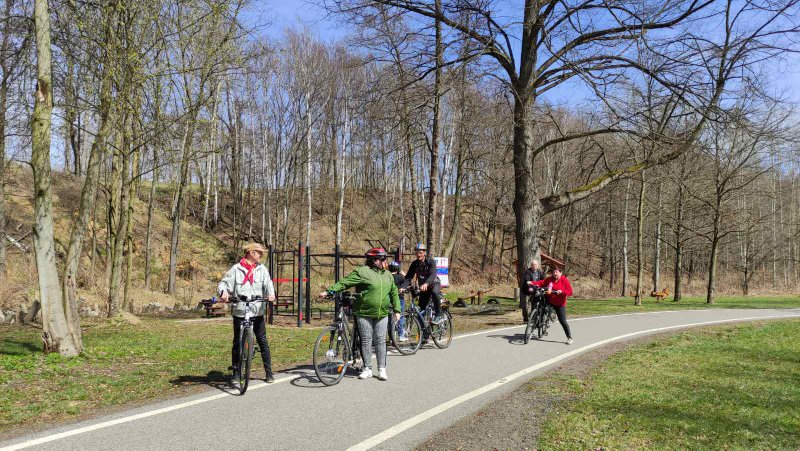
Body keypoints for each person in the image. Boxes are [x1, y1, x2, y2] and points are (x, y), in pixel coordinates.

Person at [319, 248, 401, 381]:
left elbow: (394, 293)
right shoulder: (362, 272)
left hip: (382, 313)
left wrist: (397, 310)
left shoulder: (388, 275)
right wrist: (329, 291)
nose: (386, 262)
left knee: (380, 340)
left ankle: (382, 369)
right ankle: (367, 368)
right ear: (375, 261)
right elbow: (345, 282)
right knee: (366, 340)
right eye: (383, 259)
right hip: (364, 313)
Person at [218, 243, 277, 383]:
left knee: (262, 341)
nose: (261, 255)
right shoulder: (236, 269)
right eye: (259, 252)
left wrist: (271, 294)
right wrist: (224, 292)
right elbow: (223, 283)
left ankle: (269, 372)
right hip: (240, 310)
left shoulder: (262, 269)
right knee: (237, 341)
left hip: (257, 311)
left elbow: (268, 284)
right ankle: (236, 373)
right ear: (251, 253)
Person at [528, 266, 574, 345]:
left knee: (562, 320)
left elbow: (570, 291)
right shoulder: (549, 279)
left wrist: (562, 291)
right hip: (549, 300)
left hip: (560, 304)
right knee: (541, 306)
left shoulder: (564, 280)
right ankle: (541, 321)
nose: (555, 273)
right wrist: (532, 283)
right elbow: (541, 282)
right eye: (553, 272)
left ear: (560, 273)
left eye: (556, 272)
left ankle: (569, 337)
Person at [405, 243, 444, 324]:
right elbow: (408, 277)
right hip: (423, 288)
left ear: (424, 253)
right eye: (417, 252)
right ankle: (424, 330)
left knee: (434, 292)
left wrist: (426, 283)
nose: (418, 255)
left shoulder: (431, 262)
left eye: (421, 252)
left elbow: (433, 274)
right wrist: (402, 287)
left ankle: (439, 315)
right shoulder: (414, 264)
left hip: (434, 283)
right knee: (421, 310)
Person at [388, 260, 408, 340]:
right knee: (400, 315)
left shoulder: (387, 277)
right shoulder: (400, 277)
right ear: (397, 268)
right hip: (399, 298)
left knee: (389, 318)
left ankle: (391, 337)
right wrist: (405, 275)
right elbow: (408, 283)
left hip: (389, 299)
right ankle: (401, 335)